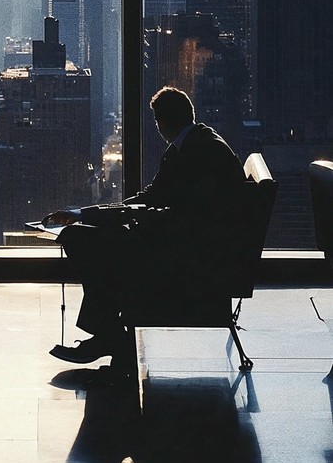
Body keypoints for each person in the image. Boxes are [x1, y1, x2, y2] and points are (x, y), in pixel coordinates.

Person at [47, 85, 245, 365]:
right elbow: (157, 201)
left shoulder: (191, 153)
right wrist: (92, 214)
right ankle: (108, 334)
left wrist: (98, 217)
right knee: (88, 238)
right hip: (196, 248)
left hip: (189, 256)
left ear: (161, 123)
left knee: (78, 239)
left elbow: (165, 207)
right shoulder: (199, 143)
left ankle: (108, 335)